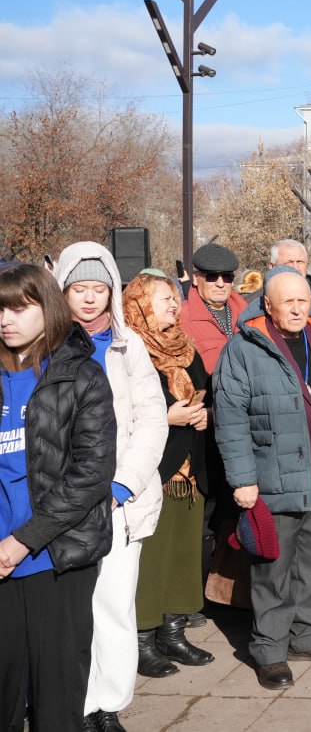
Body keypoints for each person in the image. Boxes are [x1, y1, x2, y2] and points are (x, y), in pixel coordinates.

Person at [214, 267, 311, 690]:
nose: (298, 308)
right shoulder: (244, 349)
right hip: (272, 477)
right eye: (289, 302)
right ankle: (270, 649)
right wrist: (242, 480)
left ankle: (307, 635)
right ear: (268, 305)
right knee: (273, 571)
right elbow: (230, 419)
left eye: (303, 300)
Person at [54, 244, 169, 730]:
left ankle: (108, 705)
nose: (89, 299)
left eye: (98, 289)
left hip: (120, 500)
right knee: (67, 610)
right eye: (78, 289)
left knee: (115, 605)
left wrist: (124, 485)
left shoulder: (129, 345)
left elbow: (151, 419)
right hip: (59, 501)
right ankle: (72, 701)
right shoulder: (45, 345)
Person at [0, 263, 117, 732]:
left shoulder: (81, 376)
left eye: (18, 307)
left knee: (56, 695)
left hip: (55, 557)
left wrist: (23, 541)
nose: (6, 319)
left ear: (47, 308)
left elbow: (91, 474)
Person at [122, 270, 217, 687]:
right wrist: (168, 417)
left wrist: (204, 413)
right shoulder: (127, 349)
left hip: (189, 470)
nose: (172, 305)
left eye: (174, 298)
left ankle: (173, 631)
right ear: (140, 303)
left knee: (182, 552)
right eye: (162, 298)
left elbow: (207, 391)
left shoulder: (186, 346)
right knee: (151, 558)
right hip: (151, 471)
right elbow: (119, 413)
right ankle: (143, 640)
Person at [181, 242, 249, 372]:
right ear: (195, 278)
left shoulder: (249, 315)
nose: (220, 284)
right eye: (211, 277)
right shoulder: (180, 319)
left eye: (227, 277)